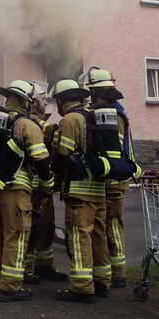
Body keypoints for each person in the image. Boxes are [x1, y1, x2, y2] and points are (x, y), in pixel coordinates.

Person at [0, 79, 53, 302]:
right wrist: (48, 186)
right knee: (15, 236)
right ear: (26, 103)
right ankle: (10, 288)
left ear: (7, 98)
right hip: (15, 190)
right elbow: (41, 161)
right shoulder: (26, 125)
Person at [81, 67, 143, 289]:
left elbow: (113, 152)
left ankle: (118, 273)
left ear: (99, 93)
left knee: (113, 226)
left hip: (114, 181)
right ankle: (113, 272)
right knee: (108, 226)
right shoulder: (115, 111)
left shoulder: (112, 115)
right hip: (113, 179)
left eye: (92, 94)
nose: (91, 99)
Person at [51, 78, 109, 303]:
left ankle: (82, 287)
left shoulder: (70, 120)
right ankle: (102, 281)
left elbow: (63, 156)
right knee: (98, 235)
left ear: (63, 101)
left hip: (78, 191)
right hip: (99, 188)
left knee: (78, 236)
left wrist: (53, 178)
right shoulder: (95, 117)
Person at [23, 82, 67, 284]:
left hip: (43, 187)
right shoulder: (30, 123)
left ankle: (44, 265)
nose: (45, 103)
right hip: (32, 188)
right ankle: (27, 270)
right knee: (31, 229)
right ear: (33, 101)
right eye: (43, 99)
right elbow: (51, 131)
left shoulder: (38, 122)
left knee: (46, 227)